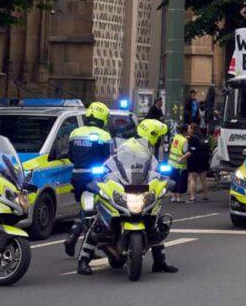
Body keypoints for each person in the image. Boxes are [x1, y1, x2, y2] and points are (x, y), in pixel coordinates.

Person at [78, 119, 177, 275]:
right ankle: (83, 260)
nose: (160, 140)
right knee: (99, 223)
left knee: (154, 222)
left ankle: (160, 261)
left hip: (139, 189)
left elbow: (153, 169)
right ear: (152, 135)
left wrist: (161, 176)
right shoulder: (128, 146)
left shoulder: (148, 150)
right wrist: (103, 172)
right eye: (159, 136)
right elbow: (114, 162)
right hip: (124, 187)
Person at [64, 102, 113, 257]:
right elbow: (110, 159)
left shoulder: (75, 133)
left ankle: (74, 238)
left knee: (85, 209)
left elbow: (70, 156)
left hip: (77, 176)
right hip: (96, 178)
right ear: (103, 118)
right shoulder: (104, 135)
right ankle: (82, 244)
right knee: (96, 212)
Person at [187, 123, 211, 202]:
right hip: (203, 160)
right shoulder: (202, 137)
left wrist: (182, 158)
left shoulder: (192, 139)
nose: (188, 130)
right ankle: (206, 196)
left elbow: (191, 151)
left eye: (189, 128)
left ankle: (192, 197)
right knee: (203, 179)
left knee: (193, 179)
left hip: (194, 160)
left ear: (192, 130)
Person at [168, 124, 192, 203]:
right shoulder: (184, 141)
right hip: (180, 164)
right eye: (188, 129)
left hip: (171, 162)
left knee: (173, 179)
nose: (189, 130)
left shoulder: (176, 137)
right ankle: (179, 197)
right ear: (185, 131)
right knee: (180, 181)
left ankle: (173, 196)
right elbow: (185, 152)